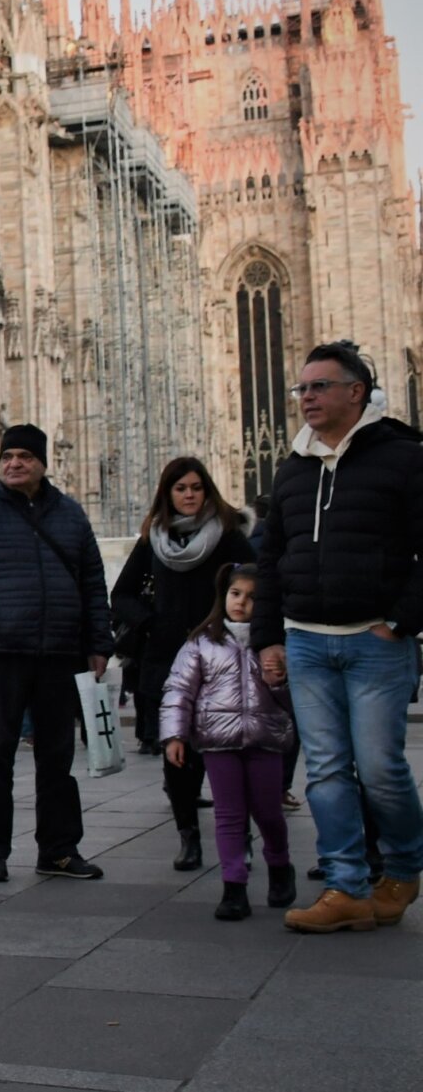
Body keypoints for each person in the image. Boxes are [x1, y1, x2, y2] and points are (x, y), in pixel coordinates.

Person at [254, 340, 423, 933]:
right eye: (302, 388)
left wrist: (399, 621)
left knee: (379, 768)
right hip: (306, 640)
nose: (306, 398)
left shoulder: (403, 457)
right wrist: (268, 638)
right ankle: (346, 884)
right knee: (324, 770)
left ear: (356, 391)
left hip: (374, 641)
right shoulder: (294, 467)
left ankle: (403, 867)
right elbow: (271, 559)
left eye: (319, 386)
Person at [0, 423, 111, 883]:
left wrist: (99, 644)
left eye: (24, 456)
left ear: (42, 463)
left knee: (57, 756)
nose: (14, 463)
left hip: (59, 650)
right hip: (1, 650)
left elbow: (93, 584)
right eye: (7, 456)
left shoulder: (70, 515)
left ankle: (58, 850)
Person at [110, 457, 256, 872]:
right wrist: (152, 622)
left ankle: (238, 833)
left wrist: (235, 621)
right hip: (169, 662)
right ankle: (188, 836)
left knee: (229, 751)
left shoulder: (227, 537)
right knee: (178, 754)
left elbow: (258, 582)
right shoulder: (153, 538)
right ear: (168, 494)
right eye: (181, 488)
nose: (189, 495)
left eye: (196, 487)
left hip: (223, 659)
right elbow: (121, 595)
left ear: (206, 490)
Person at [160, 563, 297, 920]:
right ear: (224, 597)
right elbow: (179, 690)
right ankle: (233, 885)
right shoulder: (202, 642)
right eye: (236, 594)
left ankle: (280, 864)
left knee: (268, 812)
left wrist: (280, 681)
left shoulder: (276, 643)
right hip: (218, 742)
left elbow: (294, 701)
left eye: (252, 597)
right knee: (229, 814)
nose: (242, 603)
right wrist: (174, 735)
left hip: (265, 740)